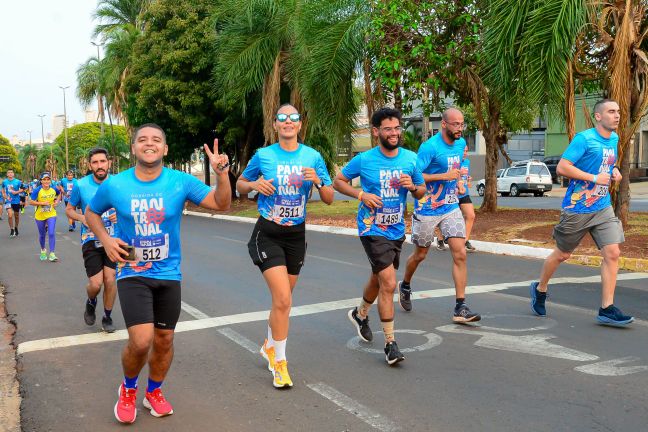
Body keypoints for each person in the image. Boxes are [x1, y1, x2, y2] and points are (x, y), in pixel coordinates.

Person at [86, 123, 231, 424]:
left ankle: (154, 391)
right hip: (132, 270)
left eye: (155, 140)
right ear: (133, 148)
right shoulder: (116, 185)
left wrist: (221, 174)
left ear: (165, 149)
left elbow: (221, 203)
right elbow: (91, 213)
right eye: (142, 140)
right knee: (140, 340)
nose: (148, 144)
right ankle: (128, 389)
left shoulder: (180, 181)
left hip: (168, 273)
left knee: (164, 339)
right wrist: (106, 239)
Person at [237, 104, 334, 388]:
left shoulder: (313, 156)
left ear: (300, 125)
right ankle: (280, 363)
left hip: (296, 236)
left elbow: (328, 197)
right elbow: (241, 184)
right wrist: (255, 183)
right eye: (282, 118)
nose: (288, 122)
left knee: (284, 301)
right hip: (268, 233)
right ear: (275, 125)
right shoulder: (263, 155)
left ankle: (269, 343)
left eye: (293, 118)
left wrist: (318, 181)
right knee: (282, 300)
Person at [334, 107, 425, 365]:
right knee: (388, 282)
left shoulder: (410, 158)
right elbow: (338, 181)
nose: (394, 132)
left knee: (378, 276)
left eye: (397, 128)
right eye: (388, 128)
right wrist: (361, 195)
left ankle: (361, 313)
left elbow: (421, 191)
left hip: (396, 228)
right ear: (376, 132)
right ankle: (390, 344)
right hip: (371, 227)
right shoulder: (365, 160)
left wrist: (413, 187)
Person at [530, 99, 633, 326]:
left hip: (602, 206)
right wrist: (595, 178)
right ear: (598, 117)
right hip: (577, 208)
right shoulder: (584, 139)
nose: (616, 115)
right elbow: (562, 167)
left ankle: (607, 308)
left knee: (613, 252)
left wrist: (614, 171)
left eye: (618, 111)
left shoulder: (614, 138)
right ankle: (540, 288)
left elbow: (607, 164)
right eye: (611, 112)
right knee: (562, 254)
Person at [398, 108, 481, 323]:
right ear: (443, 124)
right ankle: (405, 284)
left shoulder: (461, 143)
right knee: (421, 254)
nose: (460, 129)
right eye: (455, 124)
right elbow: (415, 176)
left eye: (462, 124)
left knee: (460, 252)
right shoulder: (429, 147)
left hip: (450, 207)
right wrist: (444, 176)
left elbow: (460, 165)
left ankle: (460, 307)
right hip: (427, 208)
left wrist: (460, 181)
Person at [67, 148, 118, 333]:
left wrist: (119, 215)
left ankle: (107, 316)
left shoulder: (118, 183)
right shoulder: (80, 185)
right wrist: (83, 218)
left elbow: (131, 208)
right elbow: (69, 209)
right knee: (96, 284)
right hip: (90, 239)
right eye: (95, 162)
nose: (99, 166)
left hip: (115, 239)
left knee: (111, 279)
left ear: (109, 163)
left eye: (102, 161)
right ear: (90, 165)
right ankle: (91, 301)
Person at [29, 172, 61, 261]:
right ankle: (43, 250)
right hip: (40, 214)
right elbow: (31, 202)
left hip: (51, 213)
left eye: (48, 179)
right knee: (42, 234)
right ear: (41, 181)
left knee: (51, 233)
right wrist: (41, 203)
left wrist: (57, 201)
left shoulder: (54, 188)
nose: (46, 181)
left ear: (50, 180)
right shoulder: (37, 190)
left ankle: (52, 254)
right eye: (44, 179)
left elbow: (59, 194)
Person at [459, 145, 476, 252]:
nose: (465, 153)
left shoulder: (467, 162)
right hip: (453, 194)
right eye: (463, 151)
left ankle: (465, 240)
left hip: (464, 194)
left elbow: (467, 180)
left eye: (466, 151)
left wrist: (469, 180)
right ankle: (441, 239)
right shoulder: (453, 162)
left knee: (471, 215)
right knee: (447, 219)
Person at [2, 169, 24, 237]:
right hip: (8, 201)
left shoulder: (18, 181)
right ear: (7, 174)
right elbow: (3, 190)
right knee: (10, 215)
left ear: (13, 174)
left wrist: (16, 192)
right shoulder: (4, 182)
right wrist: (5, 196)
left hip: (16, 201)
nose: (10, 174)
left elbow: (23, 189)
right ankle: (11, 229)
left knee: (16, 216)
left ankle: (16, 227)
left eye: (11, 172)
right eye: (9, 172)